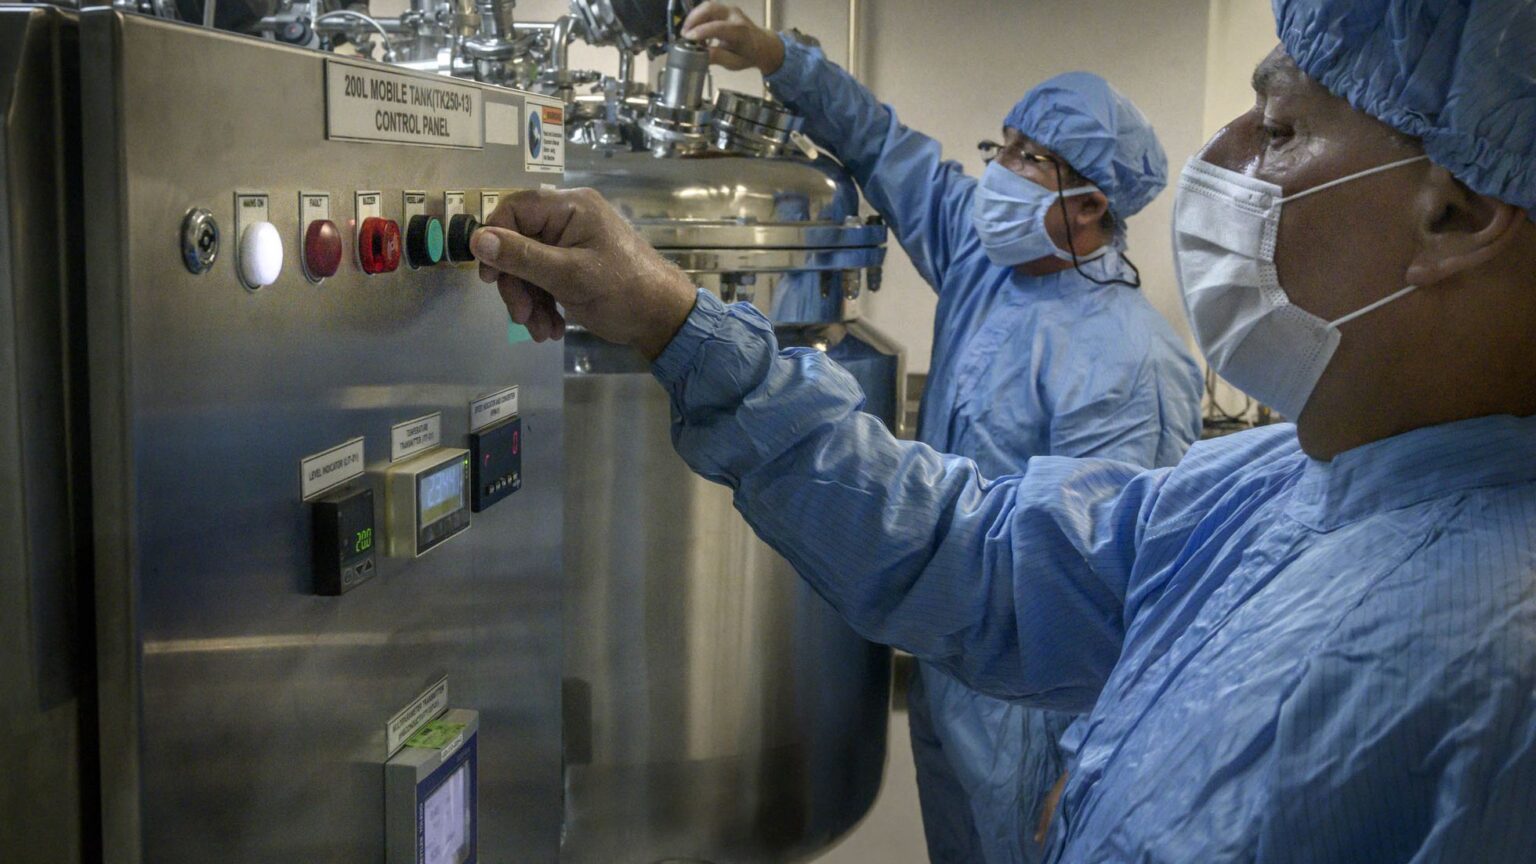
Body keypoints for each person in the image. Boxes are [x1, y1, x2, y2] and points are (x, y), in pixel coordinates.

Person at [471, 0, 1536, 858]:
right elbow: (977, 554)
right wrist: (673, 316)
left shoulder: (1496, 680)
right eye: (1007, 148)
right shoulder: (1279, 482)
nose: (1219, 153)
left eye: (1281, 129)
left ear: (1457, 213)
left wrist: (1067, 769)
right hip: (958, 697)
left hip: (1018, 737)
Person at [675, 6, 1203, 860]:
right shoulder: (984, 259)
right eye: (1004, 145)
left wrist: (1091, 764)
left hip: (1039, 715)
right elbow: (883, 147)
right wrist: (777, 57)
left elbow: (1127, 588)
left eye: (1028, 159)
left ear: (1090, 204)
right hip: (948, 669)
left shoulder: (1129, 362)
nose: (999, 171)